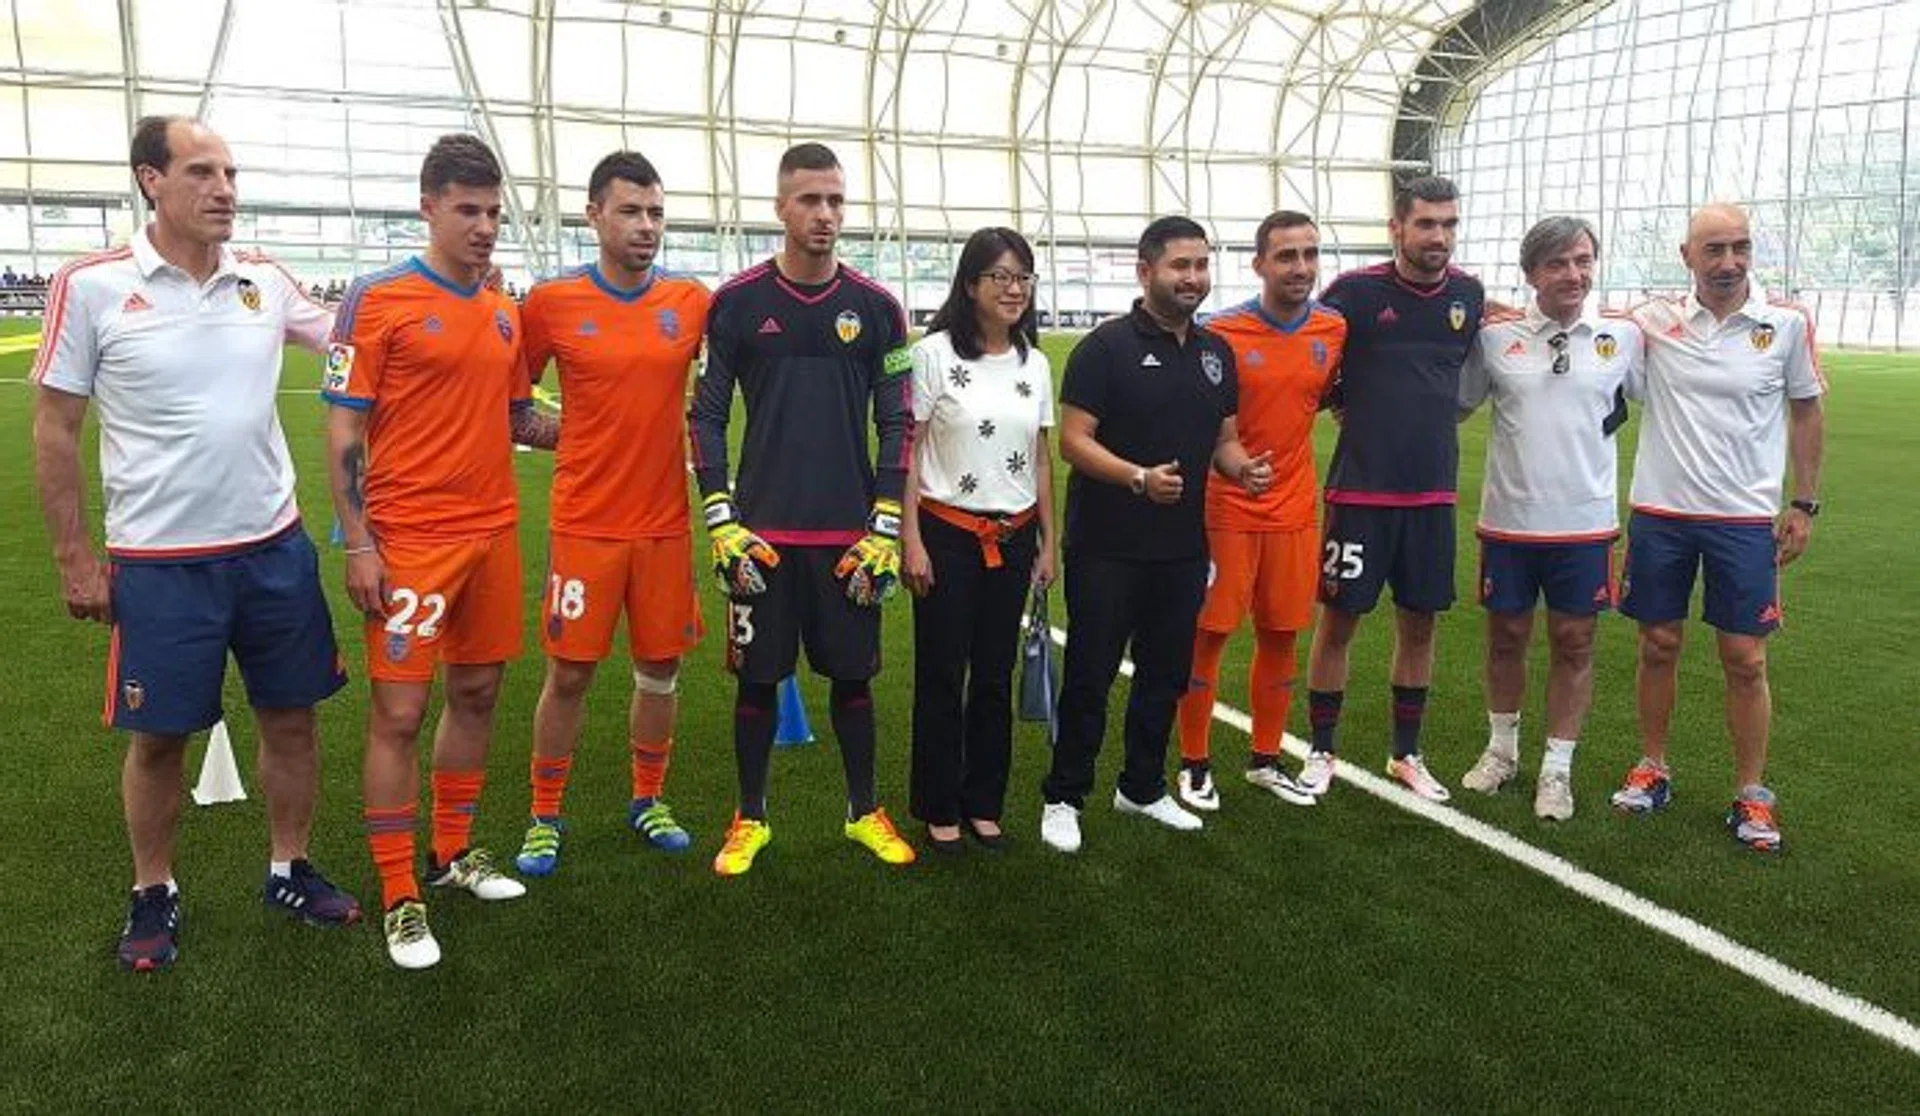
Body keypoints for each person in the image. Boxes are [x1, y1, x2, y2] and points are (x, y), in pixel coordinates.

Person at [31, 115, 359, 972]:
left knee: (292, 720)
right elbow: (56, 428)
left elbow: (355, 340)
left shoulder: (263, 278)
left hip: (274, 550)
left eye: (231, 173)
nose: (224, 190)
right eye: (202, 172)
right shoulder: (91, 285)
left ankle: (290, 869)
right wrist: (74, 555)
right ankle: (153, 889)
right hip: (160, 565)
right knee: (159, 739)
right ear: (151, 179)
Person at [324, 134, 550, 969]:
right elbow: (343, 430)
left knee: (478, 692)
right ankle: (398, 892)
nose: (485, 227)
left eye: (494, 212)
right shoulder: (377, 297)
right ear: (428, 207)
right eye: (468, 211)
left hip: (493, 533)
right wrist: (359, 543)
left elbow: (520, 418)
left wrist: (611, 431)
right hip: (410, 540)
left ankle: (450, 853)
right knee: (399, 715)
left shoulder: (502, 309)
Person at [688, 142, 917, 876]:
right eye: (811, 200)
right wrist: (721, 518)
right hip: (760, 537)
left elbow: (898, 419)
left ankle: (863, 811)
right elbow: (706, 415)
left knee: (854, 680)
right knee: (757, 681)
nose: (825, 214)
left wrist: (885, 524)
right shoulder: (736, 304)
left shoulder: (879, 310)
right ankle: (749, 818)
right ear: (780, 208)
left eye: (836, 200)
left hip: (851, 538)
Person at [1037, 215, 1273, 854]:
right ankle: (1064, 795)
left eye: (1201, 265)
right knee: (1090, 677)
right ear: (1146, 272)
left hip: (1181, 550)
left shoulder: (1215, 353)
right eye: (1179, 266)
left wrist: (1242, 469)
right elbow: (1073, 442)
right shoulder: (1104, 349)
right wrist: (1138, 479)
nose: (1193, 278)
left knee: (1165, 676)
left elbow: (1223, 440)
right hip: (1106, 548)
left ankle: (1141, 787)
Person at [509, 151, 711, 876]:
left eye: (656, 213)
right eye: (630, 211)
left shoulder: (691, 302)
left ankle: (648, 798)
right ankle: (544, 815)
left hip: (664, 527)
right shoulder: (550, 302)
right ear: (593, 215)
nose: (646, 226)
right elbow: (511, 406)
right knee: (569, 675)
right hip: (585, 526)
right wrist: (575, 437)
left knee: (660, 671)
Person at [1611, 203, 1825, 852]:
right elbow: (1579, 326)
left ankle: (1752, 793)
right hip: (1661, 513)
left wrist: (1803, 504)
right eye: (1715, 249)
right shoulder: (1652, 320)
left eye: (1741, 247)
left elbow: (1807, 410)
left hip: (1743, 519)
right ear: (1687, 256)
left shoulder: (1785, 322)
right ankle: (1653, 766)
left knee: (1746, 658)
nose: (1730, 261)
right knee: (1658, 644)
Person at [1299, 175, 1485, 803]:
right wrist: (1341, 400)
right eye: (1427, 223)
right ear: (1397, 227)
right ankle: (1321, 750)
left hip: (1432, 495)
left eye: (1449, 224)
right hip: (1359, 494)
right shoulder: (1353, 293)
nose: (1440, 236)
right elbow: (1313, 362)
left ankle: (1406, 754)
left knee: (1420, 627)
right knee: (1338, 624)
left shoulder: (1468, 295)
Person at [1456, 216, 1643, 820]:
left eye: (1583, 260)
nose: (1573, 274)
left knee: (1574, 642)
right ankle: (1502, 751)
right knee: (1506, 638)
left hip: (1585, 525)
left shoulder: (1624, 336)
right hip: (1510, 522)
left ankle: (1557, 770)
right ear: (1531, 272)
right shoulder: (1495, 338)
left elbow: (1673, 392)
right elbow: (1452, 404)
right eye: (1558, 263)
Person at [1173, 211, 1346, 811]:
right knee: (1208, 636)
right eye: (1286, 256)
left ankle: (1266, 760)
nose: (1301, 267)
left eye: (1310, 254)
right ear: (1258, 265)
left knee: (1281, 634)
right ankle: (1194, 763)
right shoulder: (1219, 332)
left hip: (1294, 510)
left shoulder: (1333, 328)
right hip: (1225, 507)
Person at [899, 227, 1056, 853]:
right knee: (942, 673)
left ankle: (983, 802)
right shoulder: (933, 354)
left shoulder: (1034, 362)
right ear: (970, 284)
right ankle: (939, 805)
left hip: (1014, 537)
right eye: (1000, 277)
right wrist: (910, 538)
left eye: (1023, 277)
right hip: (947, 534)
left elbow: (1040, 457)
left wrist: (1050, 542)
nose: (1014, 289)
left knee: (994, 675)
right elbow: (909, 451)